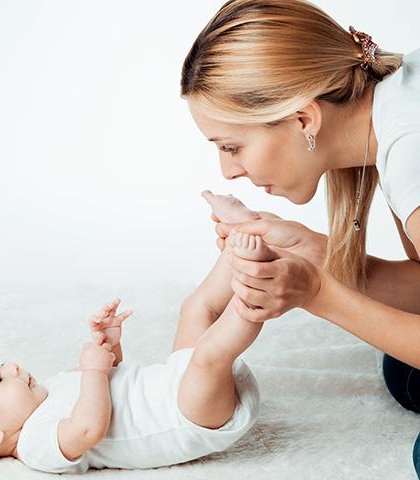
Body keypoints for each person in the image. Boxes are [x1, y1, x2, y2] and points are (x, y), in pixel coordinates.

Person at [180, 0, 420, 475]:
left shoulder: (412, 156)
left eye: (232, 146)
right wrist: (315, 252)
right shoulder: (395, 99)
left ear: (305, 120)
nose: (229, 170)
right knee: (403, 369)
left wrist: (316, 293)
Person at [0, 193, 269, 473]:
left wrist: (111, 347)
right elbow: (87, 430)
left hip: (175, 384)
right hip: (186, 416)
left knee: (194, 309)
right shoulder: (35, 444)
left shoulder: (48, 393)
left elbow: (115, 390)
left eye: (1, 365)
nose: (13, 367)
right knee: (210, 354)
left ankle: (242, 240)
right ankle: (261, 288)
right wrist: (94, 371)